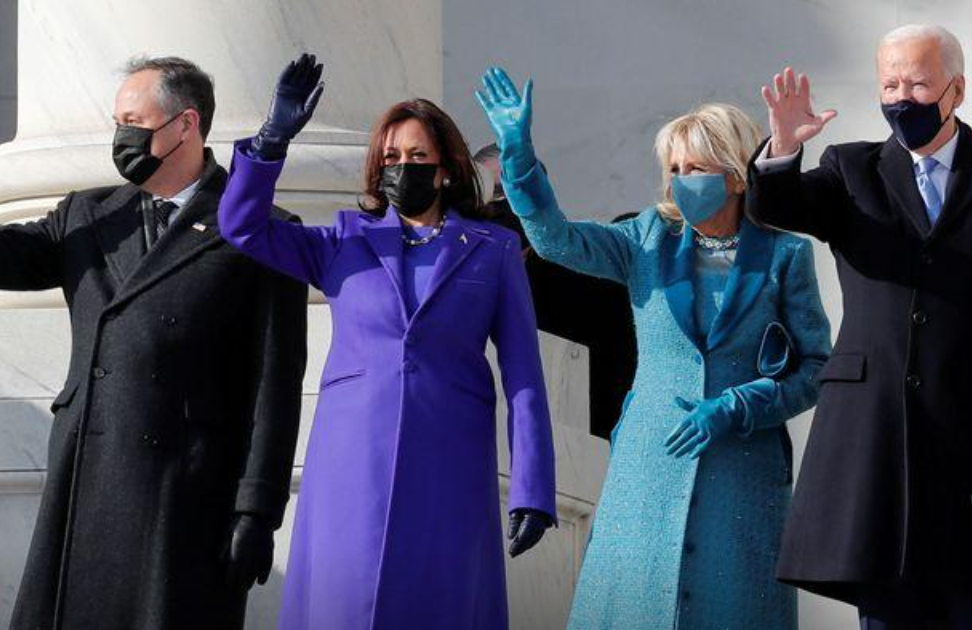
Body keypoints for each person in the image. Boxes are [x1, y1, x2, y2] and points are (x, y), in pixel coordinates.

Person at [0, 58, 308, 630]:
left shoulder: (258, 230)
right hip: (90, 479)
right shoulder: (87, 216)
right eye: (118, 121)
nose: (122, 136)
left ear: (185, 125)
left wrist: (258, 510)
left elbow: (276, 383)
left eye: (134, 120)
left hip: (188, 493)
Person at [477, 67, 831, 630]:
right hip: (650, 464)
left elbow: (816, 368)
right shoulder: (646, 239)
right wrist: (518, 157)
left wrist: (742, 405)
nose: (682, 181)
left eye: (698, 168)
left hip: (742, 474)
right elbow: (556, 239)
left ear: (737, 175)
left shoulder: (785, 254)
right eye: (674, 170)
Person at [748, 24, 972, 629]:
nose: (902, 98)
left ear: (957, 89)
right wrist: (782, 152)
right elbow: (778, 208)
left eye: (919, 84)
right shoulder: (851, 170)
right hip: (875, 447)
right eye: (890, 83)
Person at [217, 54, 556, 630]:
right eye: (393, 157)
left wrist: (534, 488)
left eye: (418, 157)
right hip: (351, 456)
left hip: (450, 456)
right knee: (343, 604)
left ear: (446, 168)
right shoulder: (343, 240)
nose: (405, 167)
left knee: (440, 603)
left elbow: (523, 375)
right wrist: (272, 141)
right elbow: (242, 226)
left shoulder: (492, 248)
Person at [477, 144, 639, 440]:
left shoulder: (579, 272)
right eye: (494, 191)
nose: (504, 202)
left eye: (518, 189)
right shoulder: (456, 280)